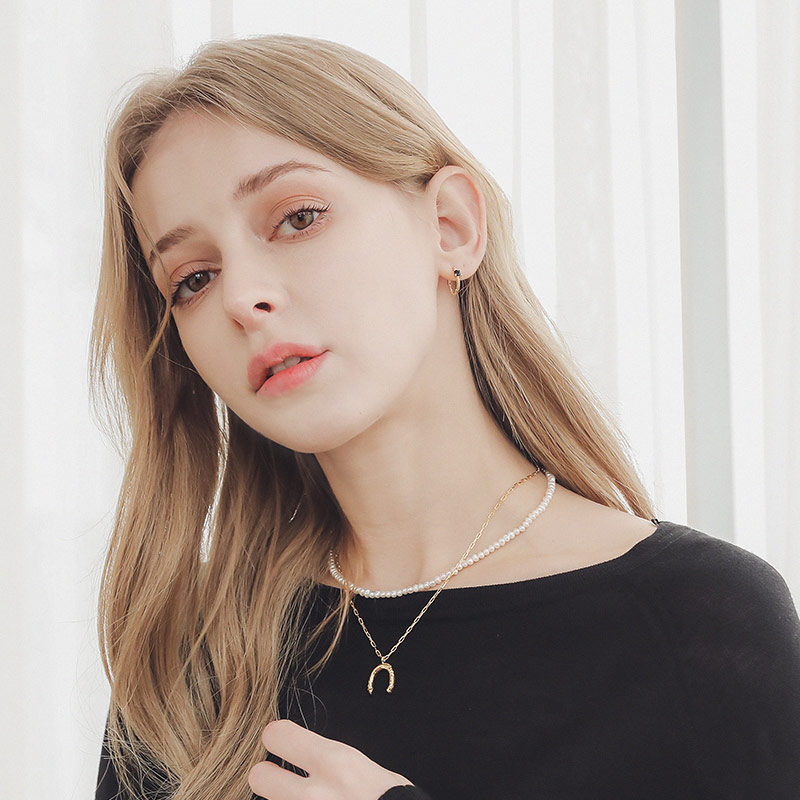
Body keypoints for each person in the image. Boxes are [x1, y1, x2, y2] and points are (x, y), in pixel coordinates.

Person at [91, 33, 800, 800]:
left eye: (297, 218)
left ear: (451, 226)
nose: (240, 297)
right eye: (193, 278)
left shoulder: (695, 623)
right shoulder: (190, 663)